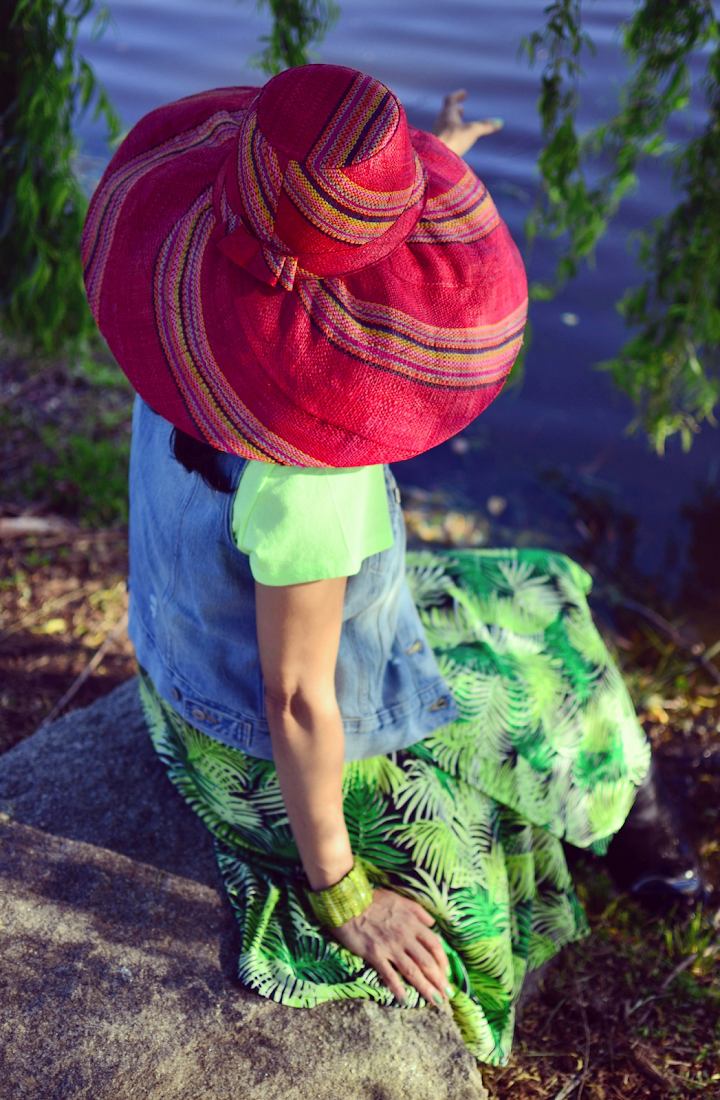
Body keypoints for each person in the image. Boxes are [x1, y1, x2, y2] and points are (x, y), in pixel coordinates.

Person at [81, 65, 699, 1067]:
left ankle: (632, 817)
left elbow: (306, 233)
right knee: (544, 663)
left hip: (183, 667)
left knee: (536, 582)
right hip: (263, 746)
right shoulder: (309, 479)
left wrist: (422, 163)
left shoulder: (191, 328)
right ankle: (635, 826)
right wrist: (340, 885)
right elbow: (297, 698)